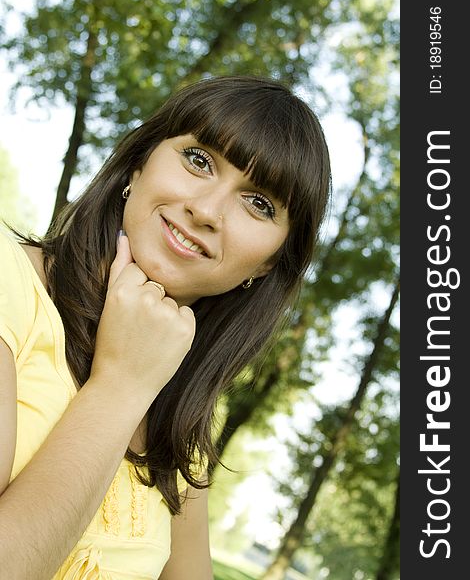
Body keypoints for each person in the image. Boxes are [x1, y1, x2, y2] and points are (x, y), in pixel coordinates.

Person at [0, 75, 331, 579]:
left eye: (258, 203)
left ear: (266, 265)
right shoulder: (9, 284)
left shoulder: (180, 422)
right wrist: (122, 384)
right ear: (140, 163)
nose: (206, 210)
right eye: (199, 160)